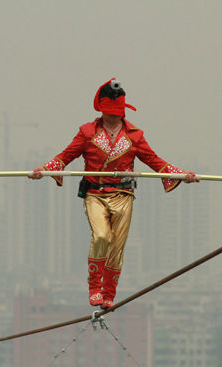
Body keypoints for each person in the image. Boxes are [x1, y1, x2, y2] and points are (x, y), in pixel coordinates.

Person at [28, 78, 199, 309]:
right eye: (109, 113)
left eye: (117, 113)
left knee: (117, 245)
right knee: (101, 237)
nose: (113, 117)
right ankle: (94, 287)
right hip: (95, 193)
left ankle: (109, 293)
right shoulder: (87, 132)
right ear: (101, 110)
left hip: (123, 193)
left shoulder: (135, 135)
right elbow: (66, 156)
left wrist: (180, 174)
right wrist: (45, 169)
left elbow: (154, 160)